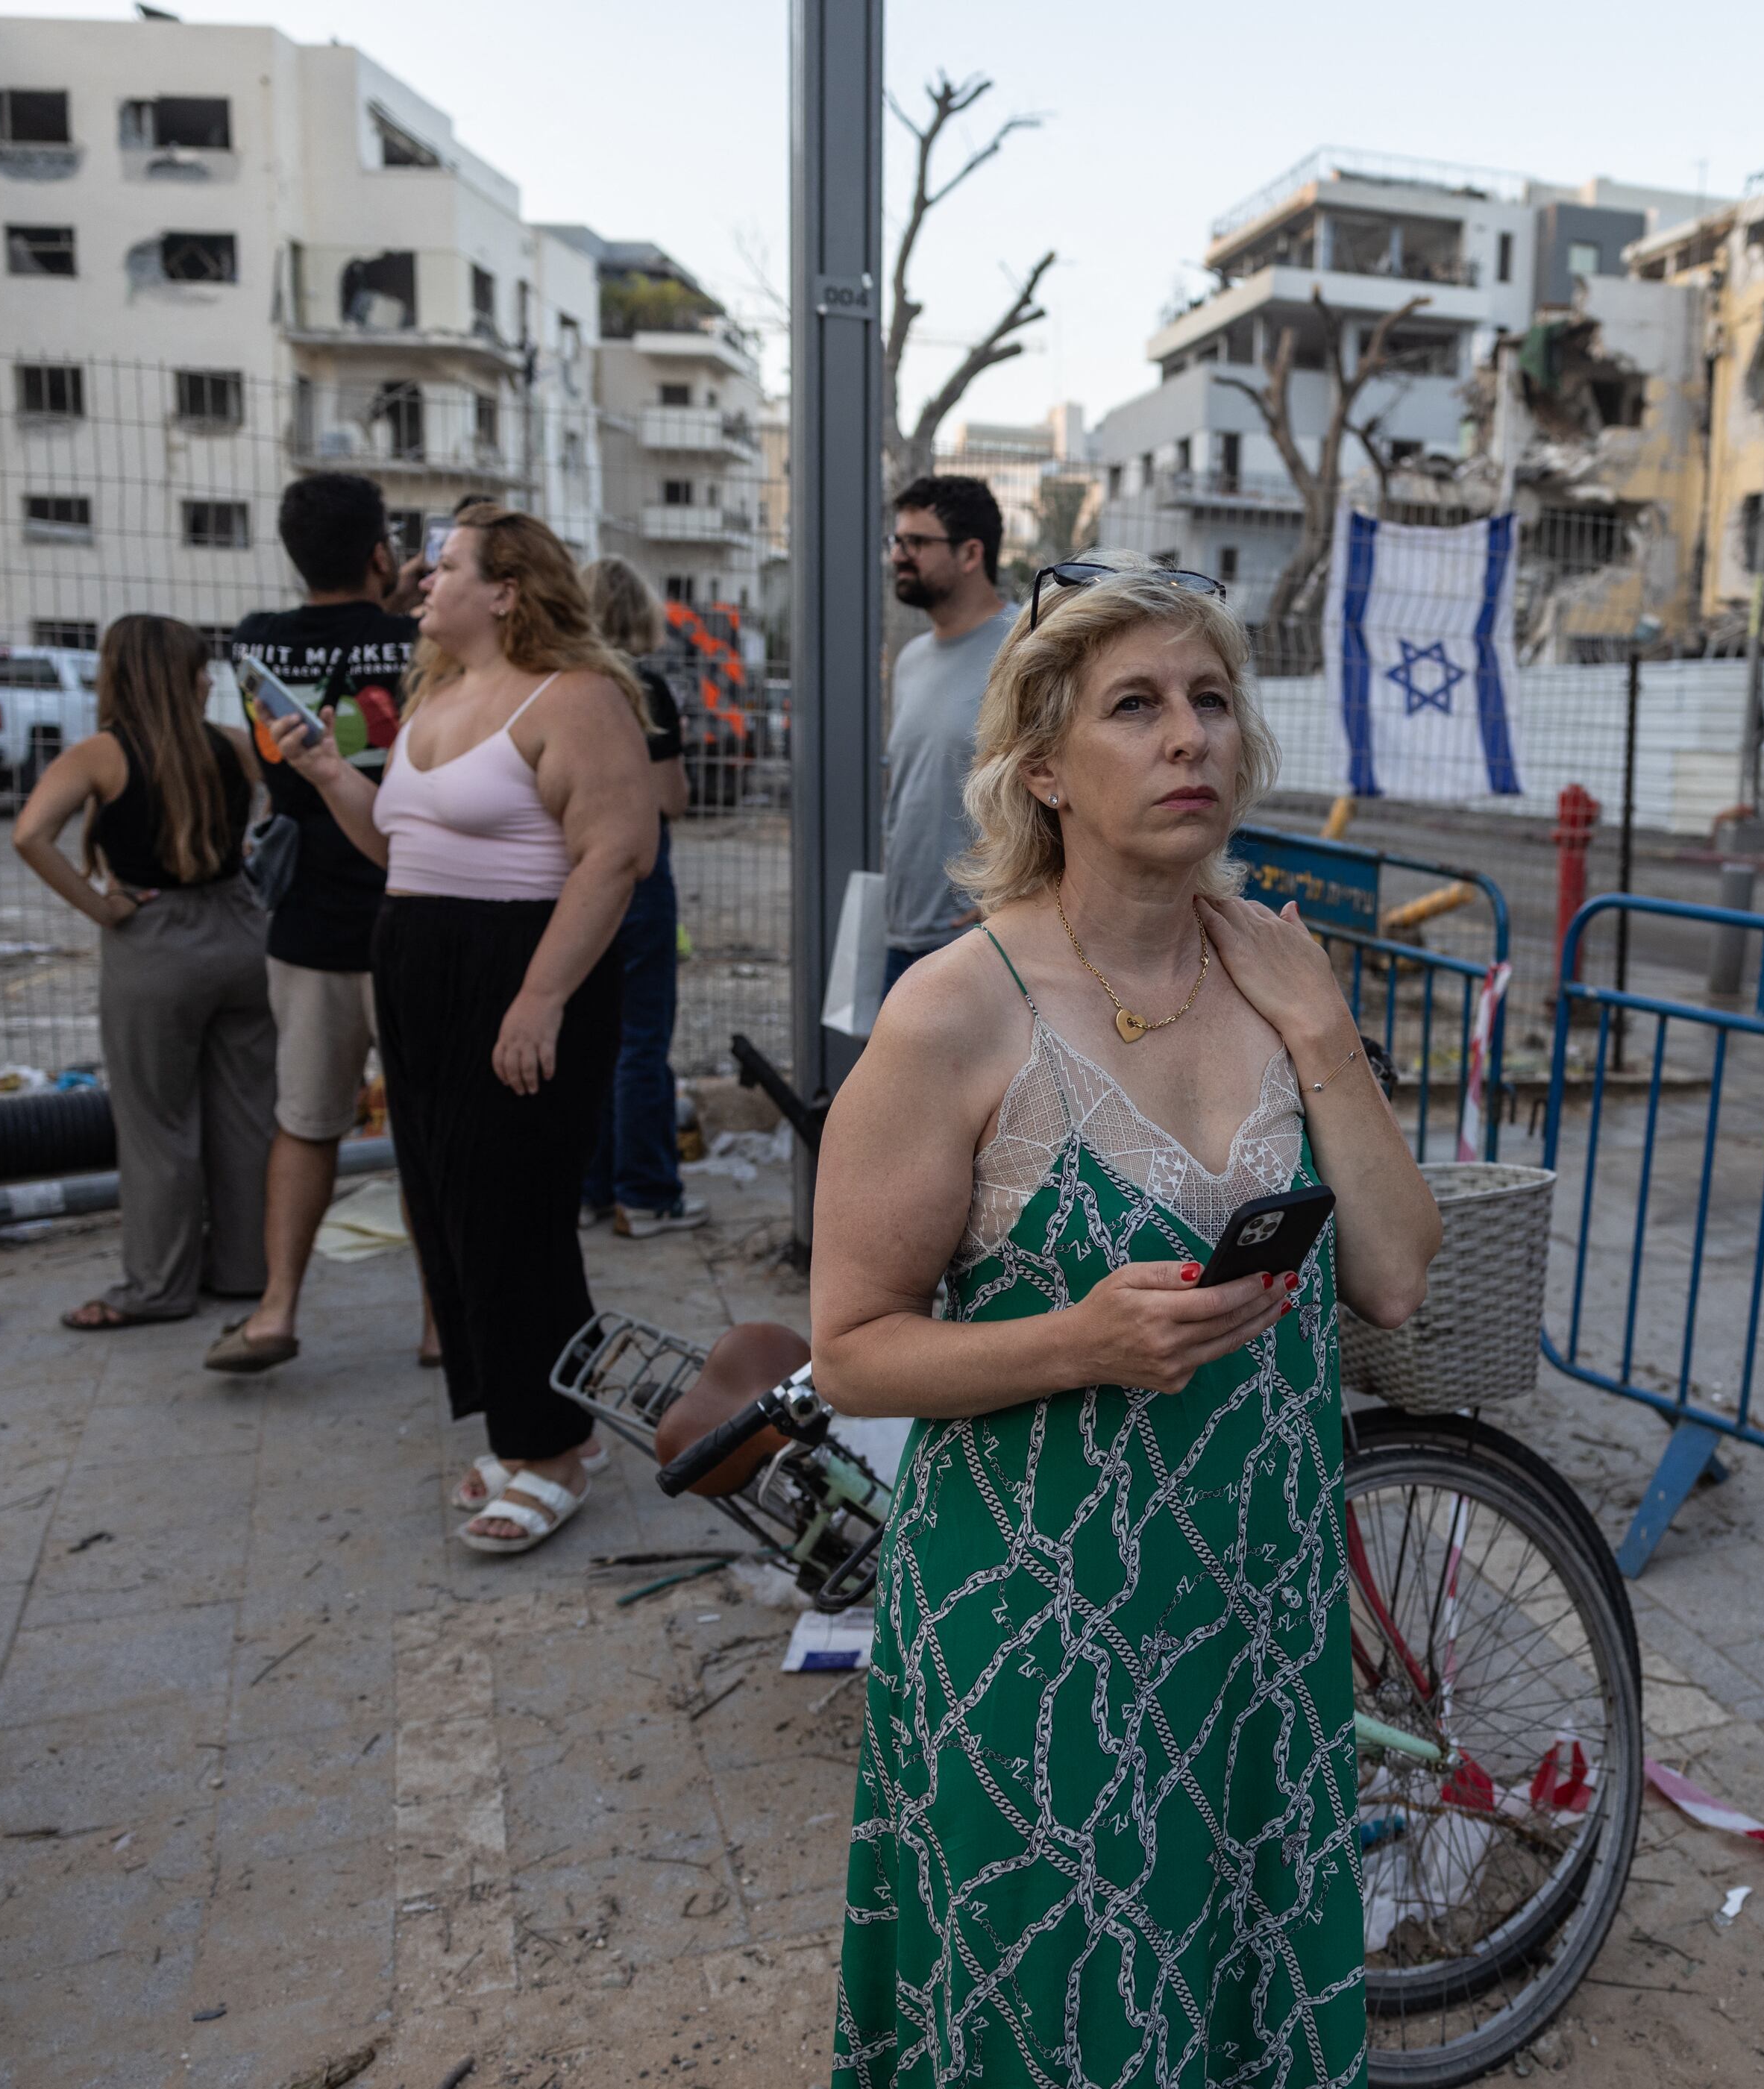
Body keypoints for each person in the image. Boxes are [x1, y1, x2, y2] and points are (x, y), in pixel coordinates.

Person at [812, 553, 1443, 2086]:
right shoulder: (957, 1008)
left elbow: (1397, 1275)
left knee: (1233, 1989)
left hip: (1256, 1615)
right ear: (1043, 766)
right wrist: (1075, 1343)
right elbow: (852, 1348)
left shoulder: (1278, 976)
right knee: (1059, 2020)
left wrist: (1323, 1029)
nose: (1189, 739)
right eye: (1136, 707)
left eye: (1212, 701)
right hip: (1038, 1635)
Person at [279, 502, 655, 1555]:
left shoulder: (574, 696)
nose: (420, 580)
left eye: (444, 565)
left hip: (523, 965)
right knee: (446, 1206)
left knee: (510, 1211)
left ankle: (552, 1450)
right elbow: (398, 843)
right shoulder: (437, 691)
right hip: (417, 965)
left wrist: (540, 996)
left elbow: (615, 855)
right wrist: (328, 774)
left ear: (506, 590)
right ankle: (535, 1416)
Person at [207, 474, 418, 1375]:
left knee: (305, 1121)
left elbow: (334, 647)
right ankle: (441, 1323)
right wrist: (400, 603)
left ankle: (275, 1309)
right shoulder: (417, 644)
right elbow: (385, 656)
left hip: (305, 921)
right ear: (380, 552)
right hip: (408, 904)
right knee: (422, 1128)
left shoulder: (256, 641)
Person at [10, 616, 274, 1328]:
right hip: (242, 932)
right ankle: (248, 1268)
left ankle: (159, 1287)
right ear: (178, 676)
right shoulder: (233, 744)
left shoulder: (101, 755)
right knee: (247, 1113)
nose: (209, 679)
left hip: (156, 942)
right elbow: (282, 805)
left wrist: (101, 906)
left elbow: (29, 834)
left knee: (158, 1123)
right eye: (200, 668)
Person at [576, 556, 703, 1238]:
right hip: (638, 877)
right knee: (641, 1041)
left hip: (572, 879)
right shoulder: (642, 689)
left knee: (588, 1033)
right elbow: (671, 798)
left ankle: (591, 1188)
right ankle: (646, 1193)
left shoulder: (559, 688)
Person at [879, 474, 1017, 991]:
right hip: (903, 931)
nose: (898, 555)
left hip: (982, 942)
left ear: (970, 553)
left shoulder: (1025, 649)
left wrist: (1018, 894)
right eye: (896, 540)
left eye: (916, 542)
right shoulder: (911, 660)